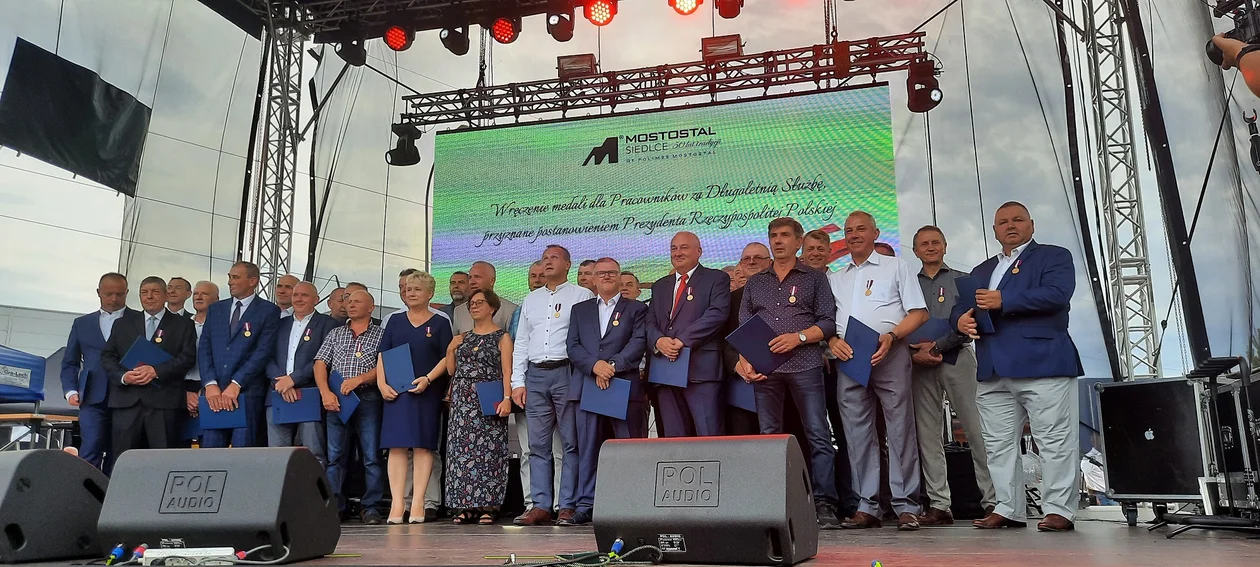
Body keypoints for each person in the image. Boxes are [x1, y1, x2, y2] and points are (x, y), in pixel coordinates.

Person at [952, 201, 1083, 532]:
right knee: (997, 444)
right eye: (1002, 222)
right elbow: (959, 307)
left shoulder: (1053, 256)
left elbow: (1057, 295)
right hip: (993, 368)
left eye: (1017, 220)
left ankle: (1059, 510)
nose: (1010, 226)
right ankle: (1008, 507)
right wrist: (961, 322)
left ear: (1032, 225)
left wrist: (1004, 300)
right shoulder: (982, 270)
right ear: (994, 230)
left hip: (1042, 362)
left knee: (1053, 440)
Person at [735, 219, 841, 528]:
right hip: (766, 370)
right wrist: (746, 360)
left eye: (784, 236)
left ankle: (824, 504)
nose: (778, 241)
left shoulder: (815, 278)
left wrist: (800, 337)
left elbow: (828, 323)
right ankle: (775, 503)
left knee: (818, 435)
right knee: (769, 437)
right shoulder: (756, 282)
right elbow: (744, 323)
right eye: (773, 236)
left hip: (806, 365)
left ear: (798, 243)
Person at [827, 211, 928, 530]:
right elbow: (827, 321)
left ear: (875, 233)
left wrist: (893, 335)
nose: (854, 234)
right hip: (850, 358)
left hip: (890, 352)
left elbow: (919, 313)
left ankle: (907, 505)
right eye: (848, 230)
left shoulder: (895, 266)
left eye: (861, 229)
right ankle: (867, 505)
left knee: (900, 429)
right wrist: (831, 340)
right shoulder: (836, 276)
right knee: (858, 435)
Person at [909, 226, 996, 525]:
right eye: (924, 244)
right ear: (915, 251)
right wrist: (913, 351)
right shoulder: (906, 283)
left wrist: (938, 345)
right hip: (918, 364)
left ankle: (993, 501)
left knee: (977, 430)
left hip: (958, 357)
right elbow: (899, 321)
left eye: (935, 242)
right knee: (928, 435)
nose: (930, 247)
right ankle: (939, 504)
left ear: (945, 246)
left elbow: (972, 321)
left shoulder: (963, 279)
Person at [510, 244, 594, 525]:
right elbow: (521, 342)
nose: (547, 262)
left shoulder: (582, 295)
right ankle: (540, 505)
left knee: (571, 443)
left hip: (566, 372)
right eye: (545, 258)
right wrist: (517, 382)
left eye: (554, 258)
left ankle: (567, 505)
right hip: (535, 375)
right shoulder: (530, 299)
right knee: (537, 445)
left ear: (568, 265)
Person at [564, 258, 649, 526]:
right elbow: (573, 346)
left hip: (623, 386)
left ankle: (631, 503)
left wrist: (611, 366)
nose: (607, 277)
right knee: (588, 447)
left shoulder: (636, 309)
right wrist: (595, 367)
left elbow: (639, 342)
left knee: (628, 448)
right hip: (589, 385)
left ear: (620, 276)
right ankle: (586, 503)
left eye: (612, 272)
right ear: (594, 279)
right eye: (601, 273)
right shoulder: (580, 309)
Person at [378, 272, 453, 524]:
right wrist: (381, 383)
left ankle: (419, 501)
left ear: (430, 293)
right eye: (408, 289)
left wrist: (428, 379)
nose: (411, 293)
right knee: (396, 447)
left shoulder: (441, 322)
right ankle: (398, 503)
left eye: (417, 289)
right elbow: (382, 355)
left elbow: (447, 357)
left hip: (426, 391)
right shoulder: (395, 321)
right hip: (396, 392)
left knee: (423, 446)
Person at [99, 276, 197, 456]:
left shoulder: (184, 324)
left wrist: (156, 371)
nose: (149, 297)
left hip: (164, 403)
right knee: (124, 459)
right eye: (144, 293)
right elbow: (107, 356)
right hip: (127, 402)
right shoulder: (122, 323)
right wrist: (123, 376)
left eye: (155, 292)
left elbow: (188, 357)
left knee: (163, 460)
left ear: (166, 295)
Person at [646, 231, 731, 437]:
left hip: (700, 370)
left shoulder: (716, 278)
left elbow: (717, 314)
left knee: (708, 435)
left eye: (684, 247)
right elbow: (649, 321)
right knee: (675, 438)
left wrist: (681, 341)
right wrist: (659, 340)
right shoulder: (660, 286)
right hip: (665, 370)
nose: (678, 252)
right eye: (673, 248)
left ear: (699, 251)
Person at [800, 229, 860, 517]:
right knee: (812, 434)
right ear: (802, 251)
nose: (814, 253)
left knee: (845, 433)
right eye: (809, 248)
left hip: (840, 367)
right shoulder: (794, 282)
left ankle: (849, 499)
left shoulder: (839, 281)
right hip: (803, 368)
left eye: (820, 249)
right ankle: (813, 500)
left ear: (829, 253)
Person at [315, 289, 387, 524]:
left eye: (357, 301)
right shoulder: (336, 333)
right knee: (335, 457)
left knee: (371, 456)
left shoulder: (382, 334)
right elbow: (319, 364)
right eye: (348, 301)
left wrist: (360, 379)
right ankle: (335, 506)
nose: (351, 304)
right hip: (337, 401)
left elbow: (386, 366)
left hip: (369, 399)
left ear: (371, 308)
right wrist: (326, 392)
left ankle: (371, 507)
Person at [444, 289, 514, 525]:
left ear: (492, 307)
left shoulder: (501, 337)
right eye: (471, 303)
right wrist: (451, 349)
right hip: (463, 400)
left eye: (479, 303)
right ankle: (464, 505)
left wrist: (507, 398)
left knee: (489, 452)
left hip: (488, 396)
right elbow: (452, 370)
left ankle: (488, 506)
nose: (473, 306)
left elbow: (507, 371)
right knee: (461, 453)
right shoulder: (464, 337)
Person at [198, 261, 281, 448]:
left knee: (242, 455)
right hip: (214, 393)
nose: (230, 282)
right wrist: (210, 384)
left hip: (246, 393)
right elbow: (204, 347)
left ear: (253, 281)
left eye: (235, 277)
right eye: (229, 276)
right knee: (210, 452)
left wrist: (237, 383)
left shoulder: (268, 311)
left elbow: (263, 351)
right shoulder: (216, 309)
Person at [506, 260, 562, 515]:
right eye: (533, 275)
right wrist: (518, 382)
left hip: (562, 376)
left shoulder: (577, 297)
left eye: (542, 275)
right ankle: (534, 503)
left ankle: (563, 504)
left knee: (562, 447)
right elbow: (519, 349)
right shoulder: (523, 309)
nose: (537, 279)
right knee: (531, 448)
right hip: (531, 383)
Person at [61, 272, 131, 473]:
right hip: (91, 396)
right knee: (90, 448)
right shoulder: (82, 323)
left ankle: (113, 496)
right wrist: (70, 390)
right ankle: (86, 497)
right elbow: (70, 362)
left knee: (119, 452)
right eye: (109, 294)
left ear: (127, 293)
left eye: (119, 294)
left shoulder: (138, 319)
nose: (114, 299)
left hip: (128, 396)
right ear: (98, 293)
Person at [265, 281, 336, 464]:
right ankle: (281, 492)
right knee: (277, 454)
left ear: (316, 300)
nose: (298, 299)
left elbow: (322, 359)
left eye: (304, 295)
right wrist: (280, 382)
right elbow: (265, 356)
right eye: (296, 295)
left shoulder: (328, 324)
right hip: (278, 392)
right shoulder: (279, 324)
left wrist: (293, 379)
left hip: (309, 394)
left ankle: (312, 492)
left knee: (313, 453)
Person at [722, 243, 771, 436]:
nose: (751, 262)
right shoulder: (729, 301)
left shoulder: (785, 295)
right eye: (746, 259)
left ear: (770, 262)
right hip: (741, 386)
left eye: (758, 258)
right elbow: (721, 341)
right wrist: (736, 364)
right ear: (740, 266)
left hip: (782, 382)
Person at [182, 281, 220, 445]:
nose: (198, 296)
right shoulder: (181, 324)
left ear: (216, 299)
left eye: (204, 294)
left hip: (212, 387)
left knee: (208, 442)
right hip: (182, 387)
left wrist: (203, 390)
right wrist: (184, 392)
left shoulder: (222, 327)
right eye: (196, 293)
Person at [453, 261, 519, 334]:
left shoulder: (510, 310)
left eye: (477, 277)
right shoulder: (459, 311)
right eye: (470, 278)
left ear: (492, 281)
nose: (472, 282)